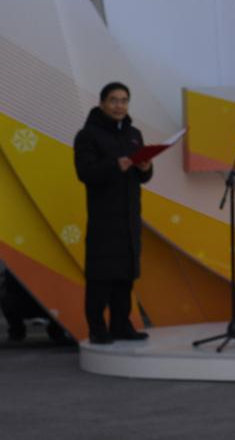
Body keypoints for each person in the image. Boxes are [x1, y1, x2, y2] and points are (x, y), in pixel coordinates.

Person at [73, 82, 152, 344]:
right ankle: (97, 329)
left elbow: (143, 177)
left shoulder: (134, 134)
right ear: (102, 103)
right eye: (114, 100)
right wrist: (114, 165)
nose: (119, 106)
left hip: (129, 216)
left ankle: (121, 325)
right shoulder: (88, 135)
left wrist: (145, 168)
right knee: (101, 276)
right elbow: (85, 173)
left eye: (124, 100)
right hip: (104, 219)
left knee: (125, 275)